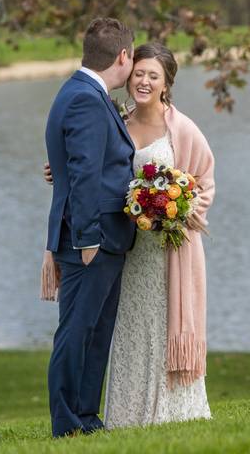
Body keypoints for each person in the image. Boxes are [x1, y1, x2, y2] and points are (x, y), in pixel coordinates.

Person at [43, 40, 215, 428]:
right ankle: (125, 414)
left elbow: (204, 183)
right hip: (126, 247)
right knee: (125, 328)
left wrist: (177, 214)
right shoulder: (116, 118)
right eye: (139, 73)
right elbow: (93, 165)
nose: (144, 81)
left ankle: (170, 410)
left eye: (153, 75)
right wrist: (59, 170)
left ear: (166, 83)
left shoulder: (182, 129)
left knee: (160, 324)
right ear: (128, 73)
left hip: (166, 250)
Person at [40, 17, 137, 437]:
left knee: (95, 330)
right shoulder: (85, 99)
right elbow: (83, 175)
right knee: (77, 330)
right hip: (90, 241)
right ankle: (66, 422)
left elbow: (84, 162)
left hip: (104, 238)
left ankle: (86, 414)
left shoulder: (81, 92)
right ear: (123, 56)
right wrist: (88, 238)